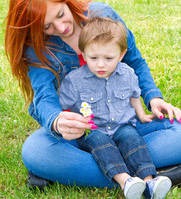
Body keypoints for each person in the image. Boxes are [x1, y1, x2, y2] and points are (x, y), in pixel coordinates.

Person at [4, 0, 181, 191]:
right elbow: (44, 97)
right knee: (36, 151)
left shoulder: (103, 15)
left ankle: (96, 171)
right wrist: (58, 121)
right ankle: (145, 177)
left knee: (178, 132)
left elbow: (135, 61)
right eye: (47, 26)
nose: (61, 28)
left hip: (122, 122)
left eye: (60, 14)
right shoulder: (37, 48)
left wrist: (153, 98)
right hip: (81, 134)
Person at [59, 17, 172, 199]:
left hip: (121, 125)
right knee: (101, 143)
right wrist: (72, 122)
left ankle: (149, 181)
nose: (101, 64)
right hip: (93, 130)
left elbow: (134, 95)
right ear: (84, 53)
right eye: (93, 58)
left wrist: (141, 115)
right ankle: (125, 181)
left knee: (132, 139)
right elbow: (63, 106)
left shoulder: (127, 73)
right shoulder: (75, 81)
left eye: (108, 58)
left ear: (121, 54)